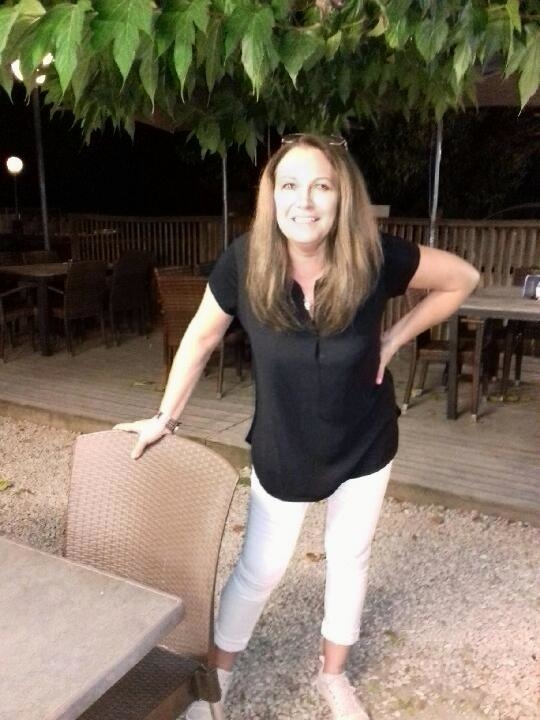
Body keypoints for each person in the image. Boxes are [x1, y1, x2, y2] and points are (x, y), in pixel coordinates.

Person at [115, 134, 479, 720]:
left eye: (320, 186)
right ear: (272, 196)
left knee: (349, 555)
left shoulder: (373, 256)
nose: (303, 201)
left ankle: (333, 675)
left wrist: (392, 338)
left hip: (365, 441)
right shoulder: (245, 261)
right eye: (289, 185)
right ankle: (216, 681)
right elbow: (201, 337)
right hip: (284, 446)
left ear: (341, 197)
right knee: (260, 569)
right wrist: (166, 417)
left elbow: (462, 278)